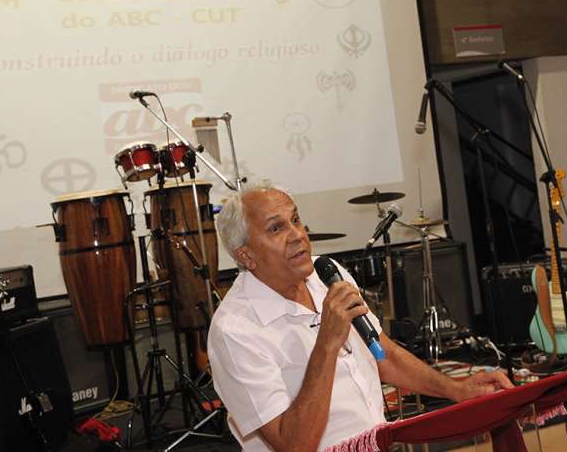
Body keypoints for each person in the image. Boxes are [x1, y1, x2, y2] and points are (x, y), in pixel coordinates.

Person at [208, 181, 512, 451]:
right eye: (276, 228)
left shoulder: (327, 274)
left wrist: (458, 389)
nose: (298, 235)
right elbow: (293, 445)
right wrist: (327, 343)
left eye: (296, 220)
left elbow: (383, 355)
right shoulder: (235, 331)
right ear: (245, 255)